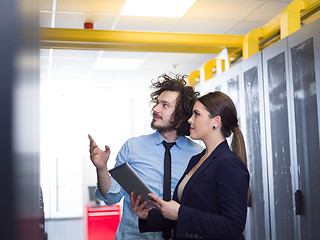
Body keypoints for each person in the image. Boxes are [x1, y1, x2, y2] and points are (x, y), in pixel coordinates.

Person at [88, 74, 203, 240]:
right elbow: (111, 197)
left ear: (181, 116)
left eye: (165, 105)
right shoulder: (133, 147)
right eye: (157, 103)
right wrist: (101, 168)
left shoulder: (198, 155)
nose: (155, 109)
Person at [131, 91, 250, 240]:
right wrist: (148, 216)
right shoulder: (197, 159)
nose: (189, 120)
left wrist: (180, 213)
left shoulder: (229, 163)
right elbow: (185, 213)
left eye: (196, 114)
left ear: (216, 121)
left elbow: (233, 227)